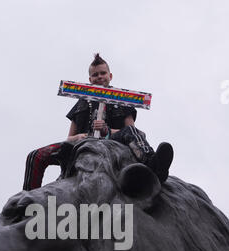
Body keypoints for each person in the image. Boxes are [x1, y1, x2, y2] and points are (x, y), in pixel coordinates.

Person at [23, 53, 173, 190]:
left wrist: (107, 130)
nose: (99, 77)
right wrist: (79, 137)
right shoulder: (82, 102)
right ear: (90, 79)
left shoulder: (122, 101)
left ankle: (153, 165)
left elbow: (134, 131)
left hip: (114, 141)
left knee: (132, 133)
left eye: (103, 73)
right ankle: (26, 199)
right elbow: (69, 137)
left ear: (110, 75)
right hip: (81, 144)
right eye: (95, 75)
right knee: (36, 155)